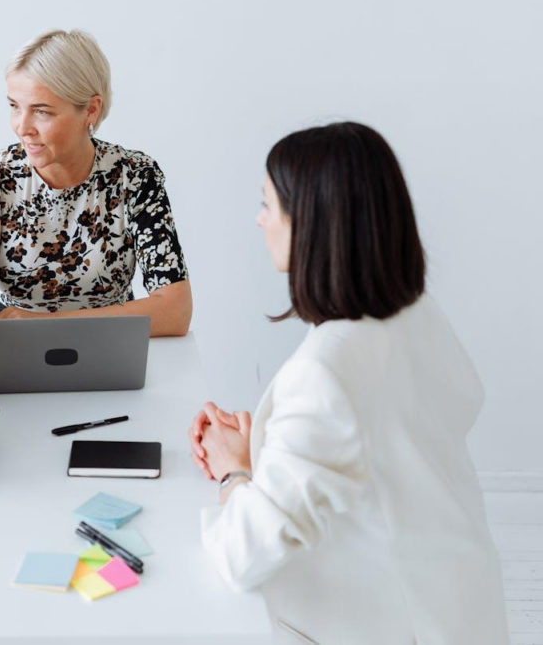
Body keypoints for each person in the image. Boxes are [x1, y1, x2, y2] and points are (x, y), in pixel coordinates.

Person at [189, 122, 509, 643]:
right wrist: (271, 452)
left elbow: (240, 556)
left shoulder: (324, 371)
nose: (259, 219)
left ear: (310, 224)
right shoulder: (417, 315)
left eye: (268, 205)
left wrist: (236, 473)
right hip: (458, 605)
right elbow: (374, 453)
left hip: (386, 624)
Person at [0, 29, 192, 337]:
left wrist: (45, 325)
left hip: (108, 349)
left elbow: (177, 311)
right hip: (17, 352)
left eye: (41, 112)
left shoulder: (135, 175)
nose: (22, 128)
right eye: (14, 106)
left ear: (91, 109)